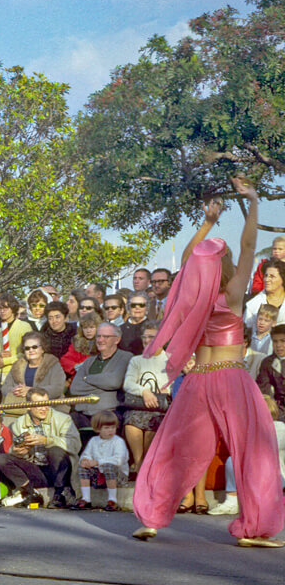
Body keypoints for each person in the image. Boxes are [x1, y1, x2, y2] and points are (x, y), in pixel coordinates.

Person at [132, 178, 285, 547]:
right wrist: (253, 202)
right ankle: (257, 526)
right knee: (254, 449)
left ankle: (151, 517)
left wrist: (208, 222)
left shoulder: (192, 299)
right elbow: (249, 245)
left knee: (174, 445)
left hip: (199, 378)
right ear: (227, 265)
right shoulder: (233, 294)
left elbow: (187, 260)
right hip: (231, 378)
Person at [6, 388, 80, 507]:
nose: (44, 408)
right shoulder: (18, 424)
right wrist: (20, 452)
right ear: (28, 406)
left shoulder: (63, 419)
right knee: (3, 459)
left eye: (46, 403)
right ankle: (30, 492)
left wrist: (47, 440)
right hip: (37, 470)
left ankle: (60, 493)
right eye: (39, 405)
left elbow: (75, 445)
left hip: (60, 471)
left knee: (54, 450)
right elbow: (14, 449)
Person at [122, 322, 170, 476]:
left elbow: (176, 383)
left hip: (161, 407)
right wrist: (145, 391)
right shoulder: (136, 360)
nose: (147, 340)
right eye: (145, 337)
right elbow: (128, 383)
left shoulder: (171, 360)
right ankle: (139, 462)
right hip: (140, 404)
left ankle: (147, 464)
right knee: (131, 422)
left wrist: (166, 390)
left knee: (153, 425)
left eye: (152, 337)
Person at [68, 322, 132, 431]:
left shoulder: (126, 357)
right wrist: (103, 385)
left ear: (117, 340)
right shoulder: (89, 361)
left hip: (108, 413)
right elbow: (75, 388)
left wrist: (87, 379)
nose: (100, 340)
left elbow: (114, 382)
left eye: (106, 337)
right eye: (98, 336)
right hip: (82, 413)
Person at [0, 332, 67, 412]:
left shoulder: (53, 364)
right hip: (21, 409)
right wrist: (16, 390)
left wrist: (31, 391)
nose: (31, 350)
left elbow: (57, 389)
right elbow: (4, 388)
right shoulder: (17, 366)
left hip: (50, 408)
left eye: (34, 347)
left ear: (42, 349)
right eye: (27, 348)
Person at [78, 411, 129, 512]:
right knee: (82, 468)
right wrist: (85, 460)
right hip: (99, 476)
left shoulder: (118, 441)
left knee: (108, 466)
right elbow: (87, 453)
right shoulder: (93, 440)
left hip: (117, 475)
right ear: (98, 429)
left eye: (113, 427)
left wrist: (97, 462)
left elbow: (119, 460)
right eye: (106, 428)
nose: (110, 430)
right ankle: (86, 499)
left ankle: (112, 500)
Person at [243, 259, 285, 331]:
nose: (266, 279)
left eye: (272, 276)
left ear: (283, 279)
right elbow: (246, 332)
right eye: (266, 276)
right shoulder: (253, 305)